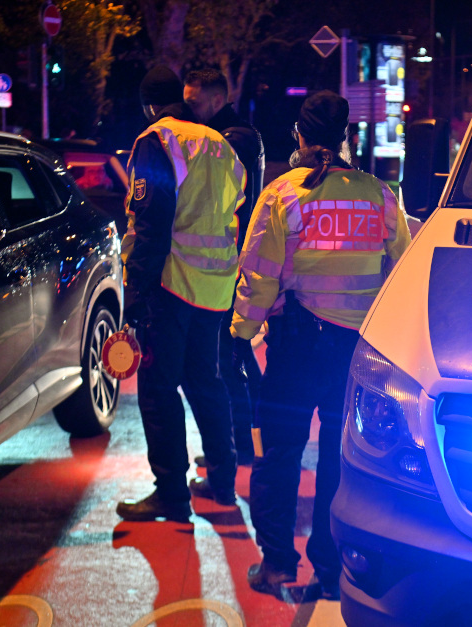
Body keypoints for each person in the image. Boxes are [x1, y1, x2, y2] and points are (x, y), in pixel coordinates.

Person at [232, 91, 412, 598]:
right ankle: (331, 572)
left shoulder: (283, 194)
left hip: (294, 347)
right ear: (347, 137)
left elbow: (259, 276)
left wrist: (242, 335)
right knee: (341, 457)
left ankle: (276, 564)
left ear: (299, 136)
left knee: (278, 452)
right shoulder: (379, 195)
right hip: (355, 354)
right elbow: (400, 269)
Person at [116, 65, 245, 523]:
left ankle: (170, 493)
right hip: (215, 289)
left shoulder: (157, 141)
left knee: (157, 389)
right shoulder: (221, 144)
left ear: (150, 105)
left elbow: (150, 228)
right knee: (206, 382)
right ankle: (224, 480)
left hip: (172, 288)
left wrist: (135, 296)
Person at [184, 68, 265, 465]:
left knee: (227, 360)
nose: (188, 110)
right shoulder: (236, 136)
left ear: (217, 100)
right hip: (229, 263)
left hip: (229, 266)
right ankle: (248, 442)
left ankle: (240, 447)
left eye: (194, 102)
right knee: (234, 355)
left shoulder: (231, 140)